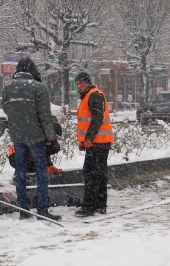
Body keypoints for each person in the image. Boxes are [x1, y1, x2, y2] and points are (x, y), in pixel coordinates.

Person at [2, 57, 61, 221]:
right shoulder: (38, 88)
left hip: (18, 137)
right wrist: (51, 138)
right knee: (41, 173)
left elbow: (7, 110)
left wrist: (20, 124)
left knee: (20, 173)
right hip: (36, 137)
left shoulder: (8, 88)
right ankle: (42, 209)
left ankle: (24, 209)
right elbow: (45, 117)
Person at [75, 72, 114, 217]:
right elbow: (89, 120)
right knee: (98, 174)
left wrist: (88, 139)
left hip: (98, 142)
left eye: (81, 83)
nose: (79, 86)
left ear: (87, 83)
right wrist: (84, 141)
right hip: (97, 142)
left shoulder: (94, 95)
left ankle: (90, 207)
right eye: (77, 84)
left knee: (91, 174)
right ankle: (99, 204)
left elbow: (97, 118)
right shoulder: (89, 95)